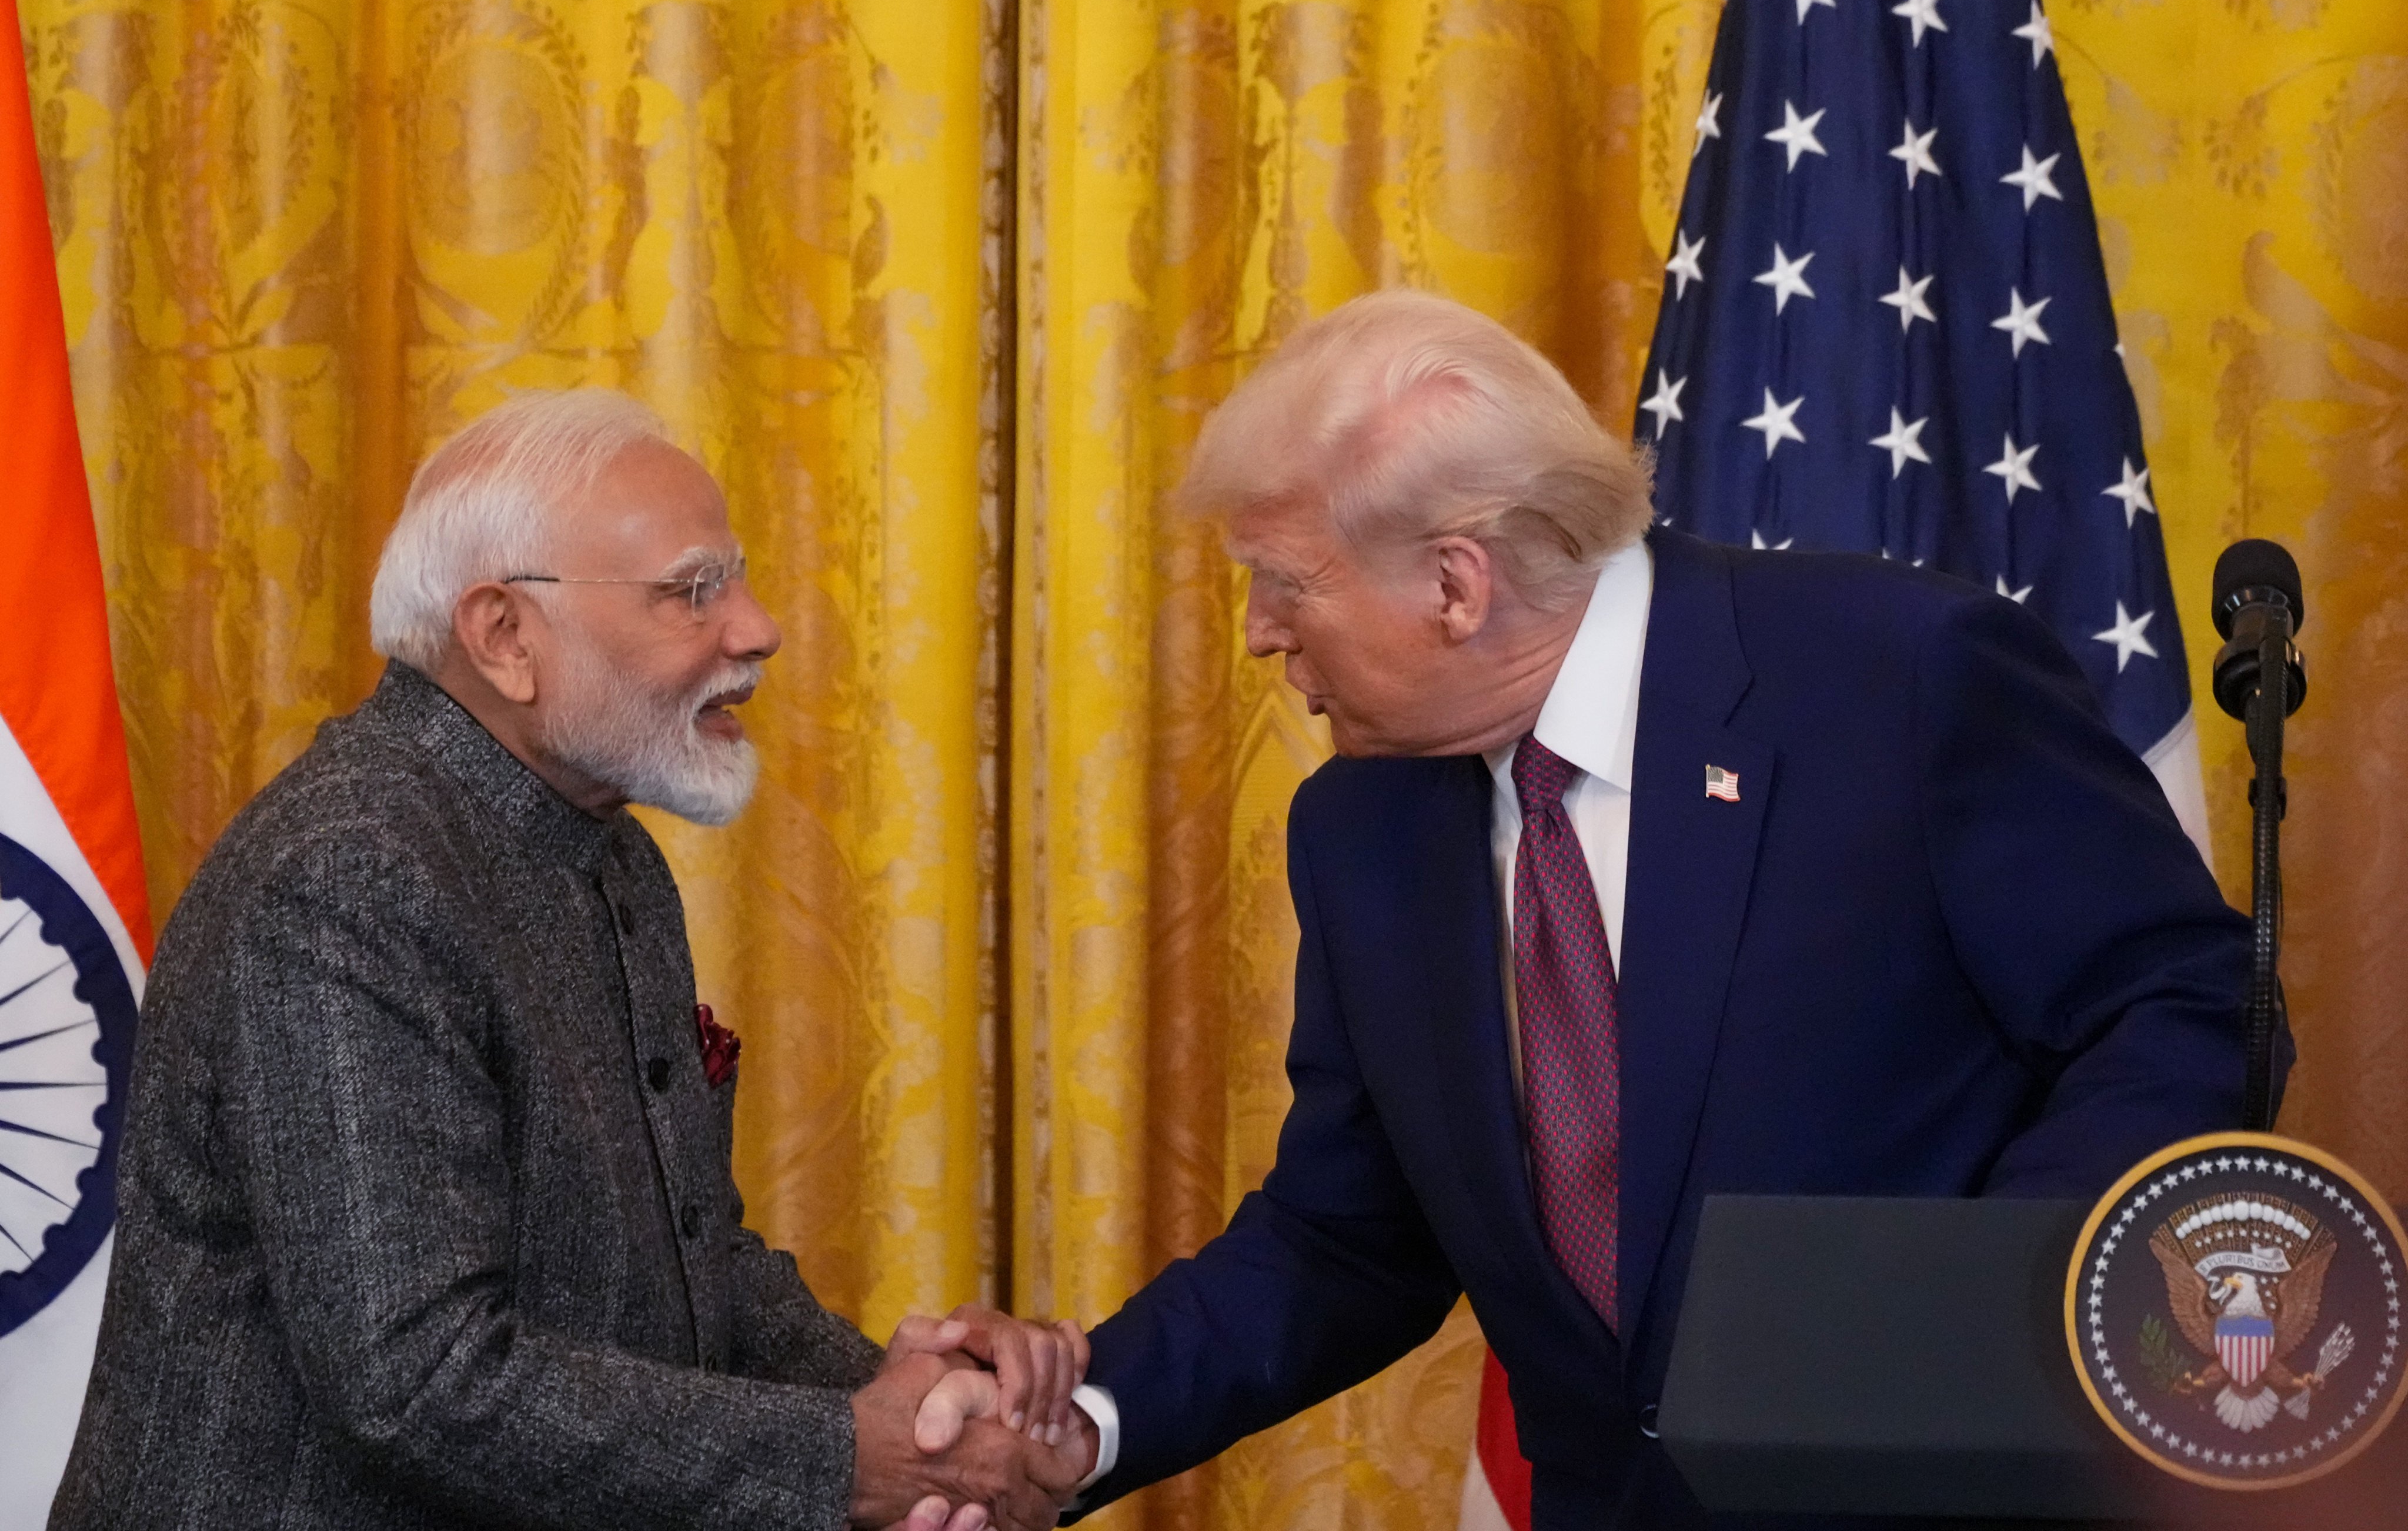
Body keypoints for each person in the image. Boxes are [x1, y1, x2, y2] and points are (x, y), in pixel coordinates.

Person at [1057, 292, 2276, 1529]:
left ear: (1453, 585)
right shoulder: (1361, 830)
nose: (1261, 636)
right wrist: (1074, 1424)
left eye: (1282, 584)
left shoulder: (1900, 679)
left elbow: (2176, 1005)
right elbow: (1345, 1238)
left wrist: (1974, 1313)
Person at [51, 392, 1097, 1531]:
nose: (757, 628)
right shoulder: (349, 874)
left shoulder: (611, 858)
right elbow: (416, 1376)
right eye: (694, 591)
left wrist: (920, 1408)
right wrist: (851, 1456)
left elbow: (682, 1255)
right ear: (505, 637)